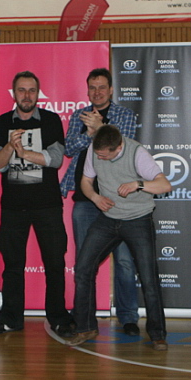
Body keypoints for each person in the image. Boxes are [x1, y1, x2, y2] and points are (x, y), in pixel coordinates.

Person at [67, 125, 171, 351]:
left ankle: (157, 334)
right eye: (98, 154)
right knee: (83, 268)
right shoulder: (94, 150)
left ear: (118, 147)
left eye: (105, 155)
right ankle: (86, 327)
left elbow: (165, 184)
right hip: (108, 218)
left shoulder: (137, 153)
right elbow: (86, 181)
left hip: (138, 219)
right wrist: (95, 198)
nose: (100, 158)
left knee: (148, 278)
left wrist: (138, 184)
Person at [0, 71, 75, 336]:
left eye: (32, 90)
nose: (27, 95)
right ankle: (11, 318)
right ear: (14, 93)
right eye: (22, 90)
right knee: (12, 267)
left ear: (38, 93)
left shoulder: (50, 120)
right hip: (13, 207)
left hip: (47, 205)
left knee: (55, 264)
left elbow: (56, 159)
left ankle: (58, 317)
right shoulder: (2, 122)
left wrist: (24, 153)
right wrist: (9, 148)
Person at [60, 68, 141, 336]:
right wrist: (91, 132)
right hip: (85, 199)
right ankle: (83, 317)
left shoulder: (125, 115)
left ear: (111, 90)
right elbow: (69, 148)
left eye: (102, 87)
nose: (97, 92)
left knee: (125, 260)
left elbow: (121, 149)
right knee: (85, 262)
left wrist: (100, 129)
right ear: (87, 90)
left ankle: (128, 317)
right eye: (93, 87)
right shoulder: (79, 116)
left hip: (119, 199)